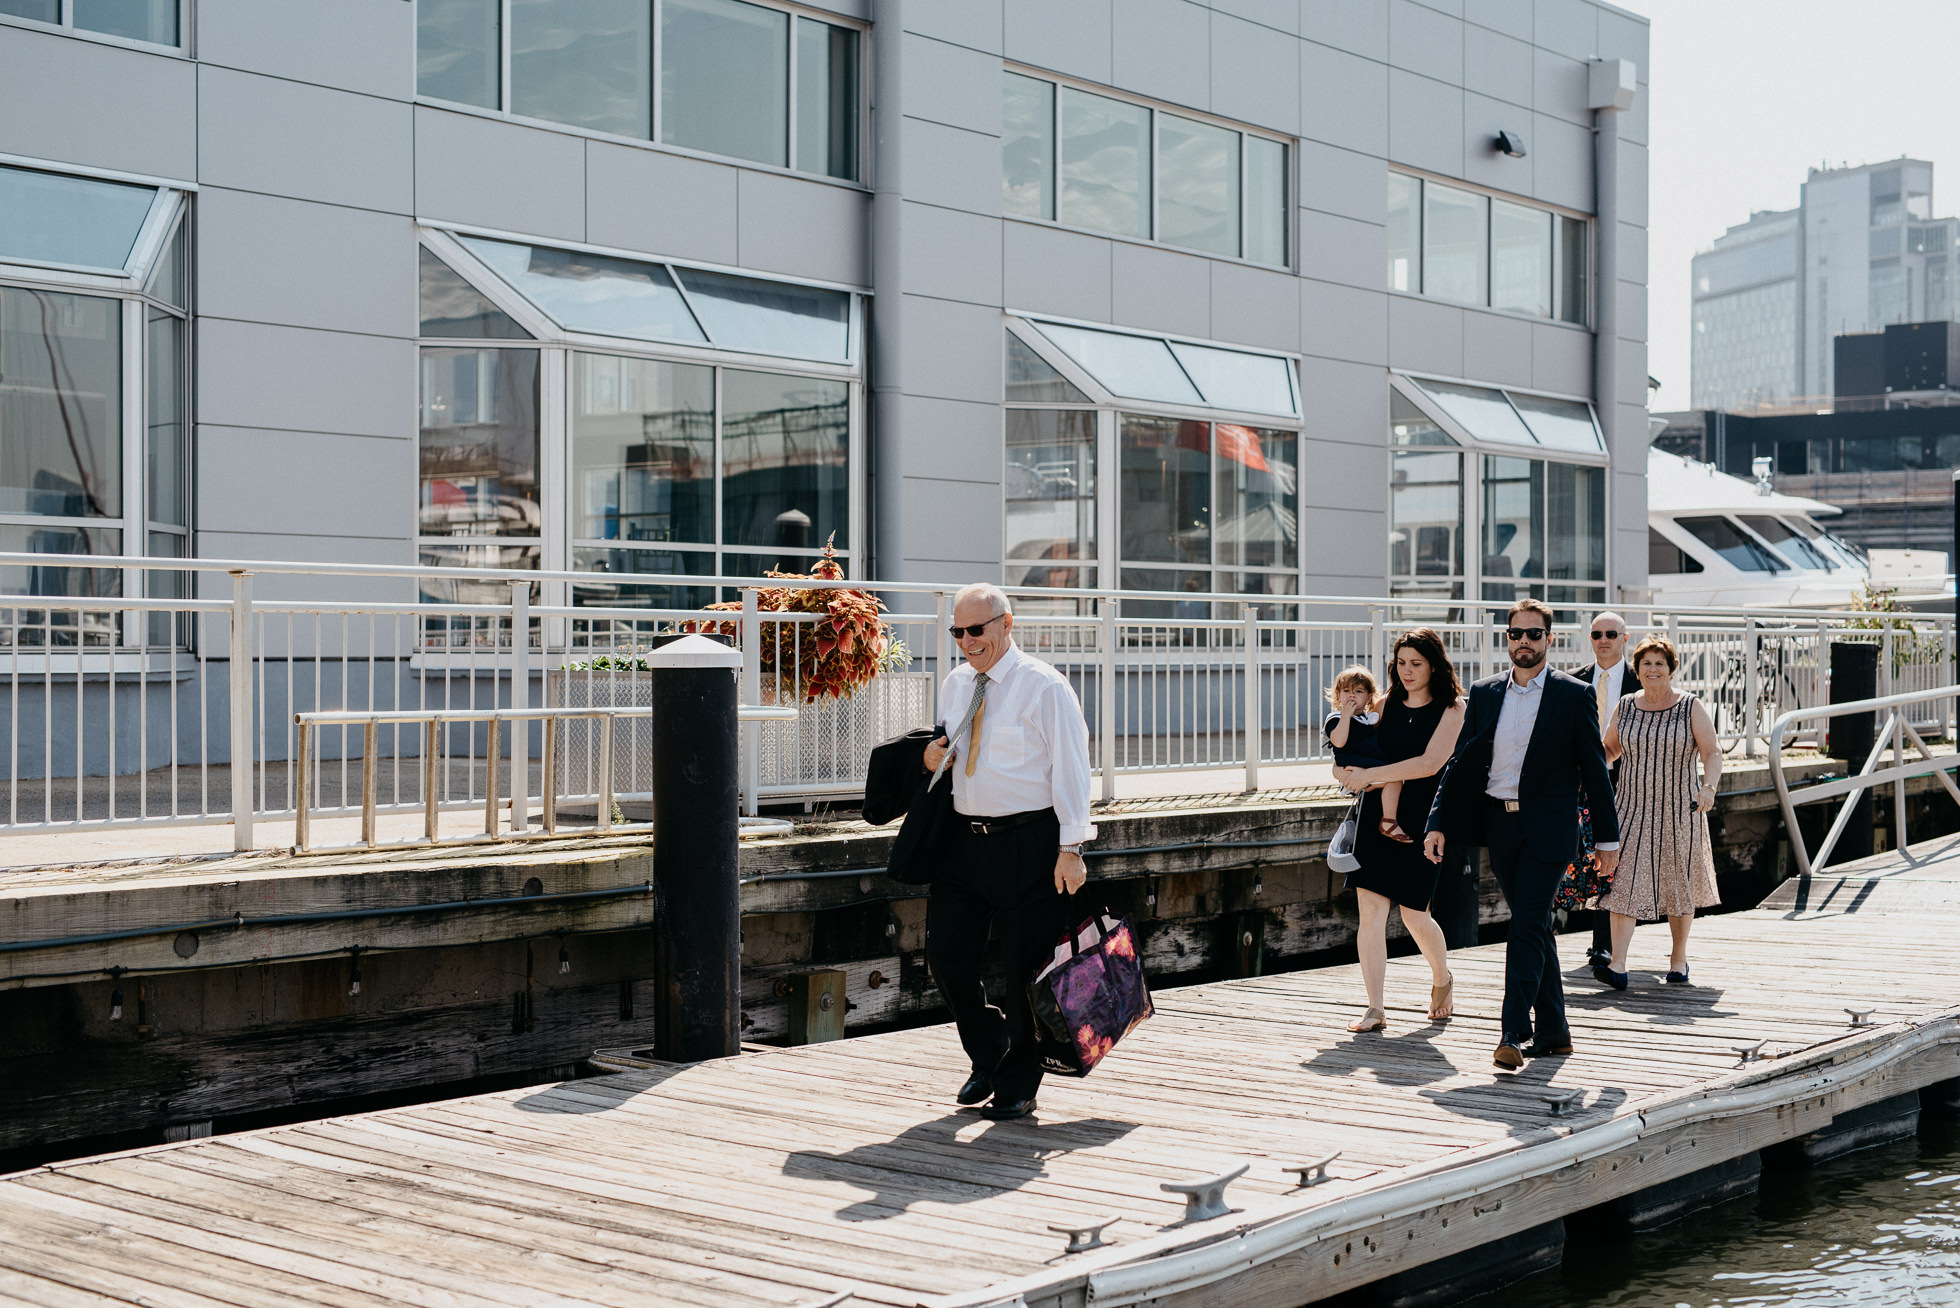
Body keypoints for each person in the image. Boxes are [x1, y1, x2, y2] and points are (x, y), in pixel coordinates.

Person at [920, 582, 1095, 1122]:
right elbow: (949, 748)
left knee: (1023, 968)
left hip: (1029, 841)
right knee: (944, 957)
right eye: (958, 632)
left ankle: (1020, 1080)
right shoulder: (955, 685)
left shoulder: (1044, 687)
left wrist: (1071, 847)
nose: (968, 642)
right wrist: (930, 757)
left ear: (1006, 624)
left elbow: (1072, 767)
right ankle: (989, 1048)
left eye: (977, 630)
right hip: (963, 841)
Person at [1424, 600, 1620, 1070]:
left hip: (1552, 831)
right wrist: (1437, 821)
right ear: (1507, 638)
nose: (1524, 642)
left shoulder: (1572, 695)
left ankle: (1513, 1030)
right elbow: (1460, 765)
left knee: (1525, 923)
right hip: (1500, 826)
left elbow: (1595, 772)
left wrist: (1608, 841)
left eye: (1534, 635)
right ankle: (1555, 1032)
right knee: (1533, 926)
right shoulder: (1485, 691)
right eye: (1516, 634)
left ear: (1549, 640)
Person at [1332, 630, 1465, 1032]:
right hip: (1377, 814)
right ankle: (1375, 1007)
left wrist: (1372, 774)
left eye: (1416, 664)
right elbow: (1354, 747)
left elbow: (1429, 763)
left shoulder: (1453, 709)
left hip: (1425, 820)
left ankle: (1442, 978)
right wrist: (1342, 772)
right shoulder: (1385, 702)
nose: (1407, 671)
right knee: (1370, 911)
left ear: (1433, 665)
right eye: (1401, 663)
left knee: (1414, 915)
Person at [1596, 635, 1722, 987]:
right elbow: (1609, 748)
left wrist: (1708, 788)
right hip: (1630, 808)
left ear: (1671, 670)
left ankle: (1678, 958)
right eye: (1646, 664)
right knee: (1622, 881)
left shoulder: (1690, 706)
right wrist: (1586, 774)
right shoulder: (1626, 705)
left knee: (1677, 885)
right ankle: (1617, 966)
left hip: (1680, 809)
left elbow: (1712, 752)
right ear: (1637, 671)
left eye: (1659, 664)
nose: (1652, 669)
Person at [1576, 612, 1634, 981]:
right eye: (1597, 634)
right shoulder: (1577, 680)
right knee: (1590, 854)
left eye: (1611, 634)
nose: (1603, 639)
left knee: (1617, 854)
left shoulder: (1640, 678)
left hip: (1626, 778)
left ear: (1624, 638)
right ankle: (1600, 944)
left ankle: (1607, 945)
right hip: (1584, 779)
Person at [1322, 665, 1406, 842]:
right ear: (1338, 695)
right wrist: (1346, 716)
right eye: (1346, 690)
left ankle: (1372, 788)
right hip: (1353, 765)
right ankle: (1389, 821)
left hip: (1369, 765)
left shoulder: (1368, 718)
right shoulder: (1335, 718)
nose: (1352, 695)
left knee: (1394, 779)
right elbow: (1338, 741)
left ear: (1369, 697)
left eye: (1358, 691)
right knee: (1395, 780)